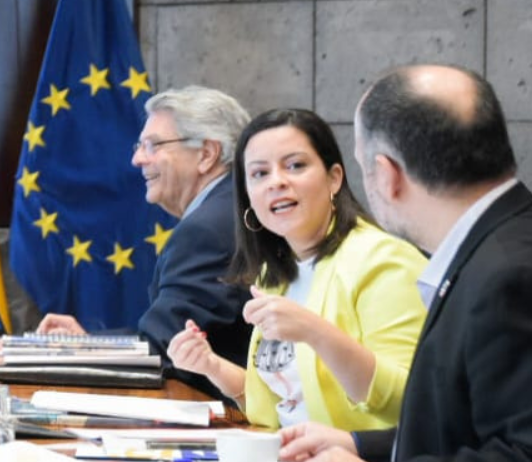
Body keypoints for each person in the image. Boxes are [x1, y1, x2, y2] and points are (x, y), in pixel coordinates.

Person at [280, 65, 532, 462]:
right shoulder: (501, 244)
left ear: (387, 174)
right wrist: (357, 444)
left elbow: (525, 461)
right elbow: (467, 430)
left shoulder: (509, 273)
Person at [165, 108, 425, 431]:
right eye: (260, 173)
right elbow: (286, 404)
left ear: (334, 178)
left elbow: (412, 403)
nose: (277, 182)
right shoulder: (275, 272)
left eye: (295, 166)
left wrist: (314, 331)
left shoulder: (385, 262)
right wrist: (211, 366)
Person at [4, 86, 252, 396]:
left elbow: (162, 349)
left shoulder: (207, 229)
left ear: (206, 154)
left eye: (153, 145)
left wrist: (30, 356)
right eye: (140, 145)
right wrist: (88, 343)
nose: (137, 159)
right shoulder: (230, 208)